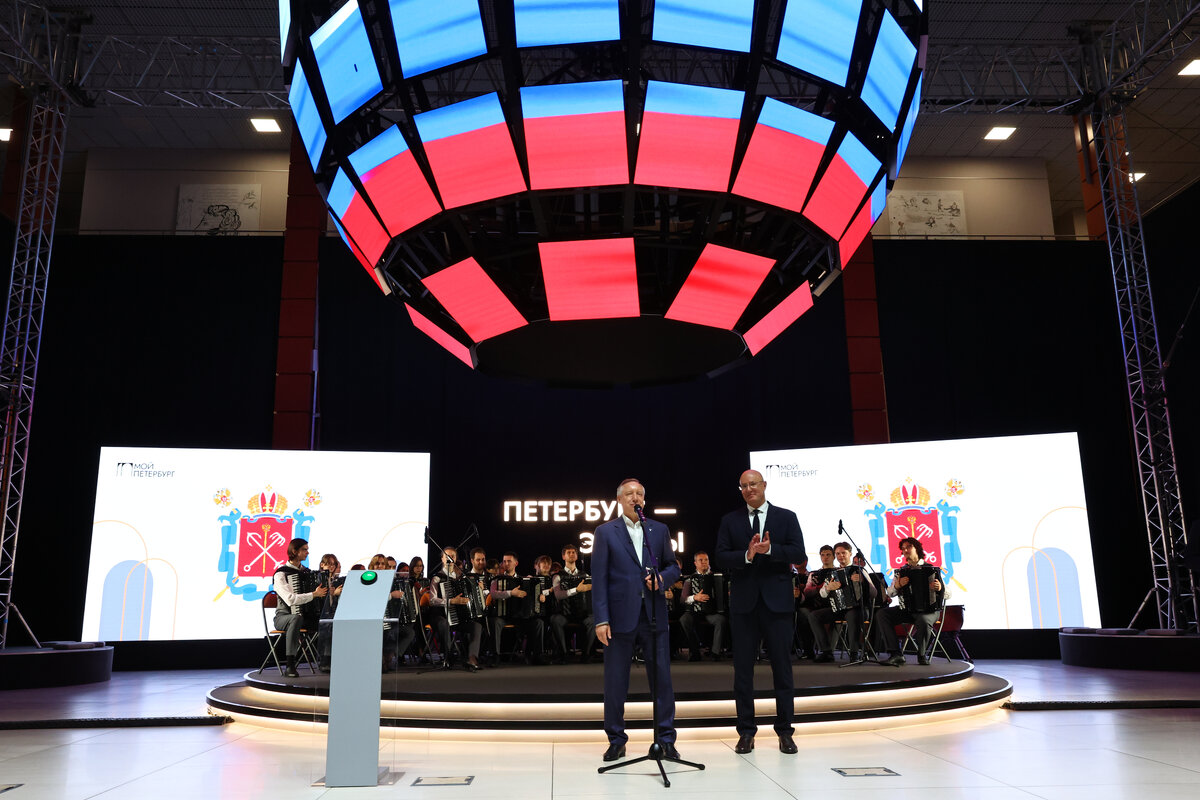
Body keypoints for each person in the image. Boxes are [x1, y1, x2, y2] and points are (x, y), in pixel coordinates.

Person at [715, 469, 804, 755]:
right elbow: (720, 557)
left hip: (778, 604)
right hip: (744, 605)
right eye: (743, 486)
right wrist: (747, 555)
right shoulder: (730, 520)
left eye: (753, 484)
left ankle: (785, 731)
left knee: (782, 669)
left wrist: (770, 550)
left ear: (764, 485)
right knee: (742, 671)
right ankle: (746, 732)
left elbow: (799, 554)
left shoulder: (786, 517)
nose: (749, 489)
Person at [593, 478, 682, 762]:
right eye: (630, 494)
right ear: (619, 499)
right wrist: (601, 619)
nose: (635, 497)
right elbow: (599, 579)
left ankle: (666, 739)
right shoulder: (605, 532)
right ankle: (616, 740)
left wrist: (662, 578)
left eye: (640, 493)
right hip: (619, 616)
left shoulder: (659, 529)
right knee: (616, 682)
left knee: (662, 680)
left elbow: (673, 567)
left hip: (654, 614)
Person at [873, 537, 949, 666]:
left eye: (908, 547)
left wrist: (940, 588)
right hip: (908, 610)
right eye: (903, 549)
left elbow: (948, 594)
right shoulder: (901, 572)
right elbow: (890, 593)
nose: (905, 550)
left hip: (930, 610)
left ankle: (922, 654)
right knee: (882, 614)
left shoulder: (931, 569)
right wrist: (898, 585)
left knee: (923, 619)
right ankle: (896, 654)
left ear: (917, 548)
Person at [809, 542, 876, 663]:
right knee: (814, 616)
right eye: (838, 554)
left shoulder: (859, 570)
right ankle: (826, 652)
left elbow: (874, 593)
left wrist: (862, 581)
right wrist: (828, 588)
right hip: (840, 609)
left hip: (860, 609)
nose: (840, 556)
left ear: (850, 553)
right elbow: (822, 594)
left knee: (852, 614)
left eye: (843, 553)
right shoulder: (832, 573)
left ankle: (854, 653)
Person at [272, 538, 327, 677]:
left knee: (328, 621)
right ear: (294, 551)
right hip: (283, 617)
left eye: (307, 549)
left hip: (306, 617)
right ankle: (290, 664)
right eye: (304, 549)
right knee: (295, 618)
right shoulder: (281, 574)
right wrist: (314, 594)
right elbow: (290, 599)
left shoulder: (307, 573)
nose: (307, 552)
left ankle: (327, 661)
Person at [550, 543, 595, 663]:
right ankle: (563, 654)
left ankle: (586, 654)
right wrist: (577, 590)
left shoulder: (584, 575)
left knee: (594, 620)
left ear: (576, 556)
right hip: (564, 614)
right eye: (568, 552)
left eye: (573, 552)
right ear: (563, 556)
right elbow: (558, 595)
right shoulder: (557, 576)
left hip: (582, 613)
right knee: (555, 620)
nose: (571, 554)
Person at [679, 550, 728, 661]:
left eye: (706, 560)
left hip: (711, 612)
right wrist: (694, 598)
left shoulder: (716, 577)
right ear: (695, 563)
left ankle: (715, 652)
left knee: (721, 620)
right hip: (694, 611)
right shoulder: (690, 579)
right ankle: (695, 650)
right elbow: (682, 599)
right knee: (684, 619)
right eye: (701, 560)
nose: (704, 562)